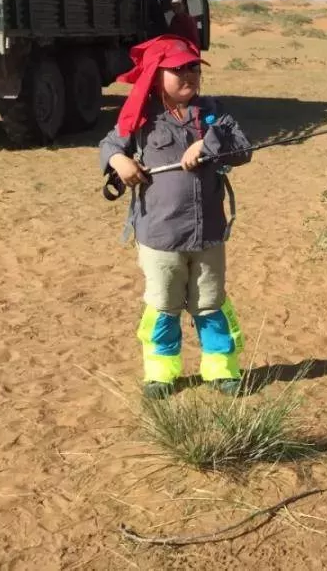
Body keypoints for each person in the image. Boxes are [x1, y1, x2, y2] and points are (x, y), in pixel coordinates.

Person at [99, 34, 253, 399]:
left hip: (208, 235)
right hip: (160, 236)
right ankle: (160, 374)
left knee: (210, 305)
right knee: (163, 308)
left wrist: (207, 143)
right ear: (156, 75)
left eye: (193, 67)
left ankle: (222, 370)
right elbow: (110, 144)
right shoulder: (140, 116)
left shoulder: (214, 113)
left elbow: (243, 149)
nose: (189, 75)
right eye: (178, 69)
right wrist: (119, 161)